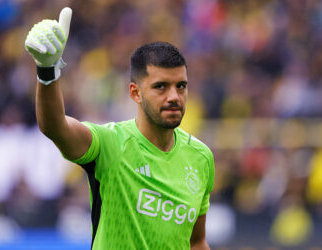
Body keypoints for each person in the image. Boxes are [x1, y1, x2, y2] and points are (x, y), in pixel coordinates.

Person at [25, 7, 215, 250]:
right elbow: (55, 127)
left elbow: (196, 241)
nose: (174, 96)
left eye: (181, 86)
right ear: (135, 92)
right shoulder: (110, 143)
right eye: (160, 87)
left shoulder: (201, 158)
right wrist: (47, 72)